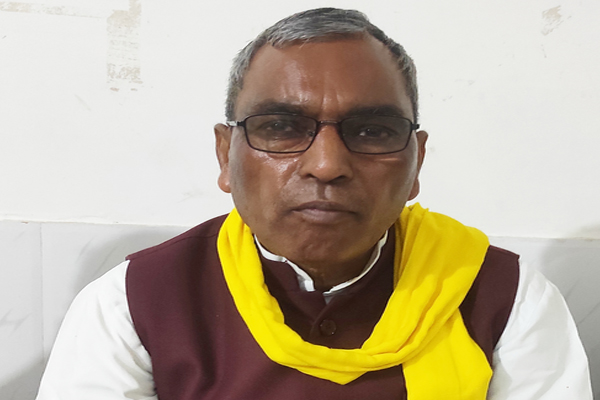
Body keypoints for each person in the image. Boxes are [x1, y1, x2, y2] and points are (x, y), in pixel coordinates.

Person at [36, 8, 592, 400]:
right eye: (281, 127)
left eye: (372, 131)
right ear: (226, 155)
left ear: (416, 162)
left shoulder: (501, 299)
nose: (326, 165)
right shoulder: (133, 304)